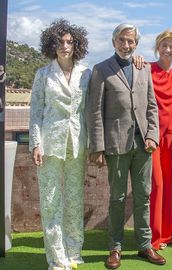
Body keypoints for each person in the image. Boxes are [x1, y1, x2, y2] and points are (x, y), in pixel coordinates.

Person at [87, 23, 165, 268]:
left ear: (136, 44)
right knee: (117, 198)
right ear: (114, 42)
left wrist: (152, 135)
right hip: (116, 145)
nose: (126, 45)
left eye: (131, 41)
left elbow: (152, 106)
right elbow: (95, 112)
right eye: (122, 40)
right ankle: (115, 248)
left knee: (144, 196)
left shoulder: (143, 68)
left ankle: (144, 245)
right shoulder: (101, 70)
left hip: (143, 144)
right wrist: (97, 147)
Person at [29, 19, 90, 270]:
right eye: (61, 42)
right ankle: (56, 257)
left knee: (75, 198)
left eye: (70, 41)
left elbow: (89, 110)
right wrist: (35, 144)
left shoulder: (86, 73)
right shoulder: (43, 74)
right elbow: (35, 112)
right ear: (52, 45)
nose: (65, 46)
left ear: (77, 45)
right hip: (49, 143)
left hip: (77, 142)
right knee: (51, 200)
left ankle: (74, 252)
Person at [148, 30, 172, 250]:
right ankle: (153, 237)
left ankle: (168, 234)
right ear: (157, 48)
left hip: (170, 136)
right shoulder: (145, 70)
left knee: (169, 184)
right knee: (157, 185)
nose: (168, 49)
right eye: (164, 45)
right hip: (151, 135)